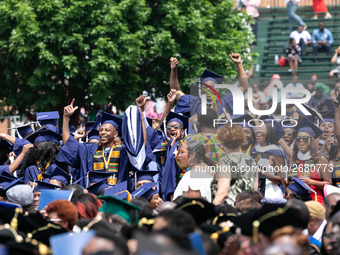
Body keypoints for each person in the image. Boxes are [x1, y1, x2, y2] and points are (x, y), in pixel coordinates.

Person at [212, 124, 258, 205]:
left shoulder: (226, 161)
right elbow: (255, 189)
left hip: (230, 211)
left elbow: (222, 194)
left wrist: (210, 212)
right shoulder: (251, 161)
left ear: (222, 141)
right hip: (247, 210)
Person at [288, 118, 331, 204]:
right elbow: (289, 182)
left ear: (312, 140)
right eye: (298, 138)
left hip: (314, 201)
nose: (301, 141)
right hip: (295, 202)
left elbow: (328, 184)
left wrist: (310, 182)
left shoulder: (320, 159)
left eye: (305, 138)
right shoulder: (293, 160)